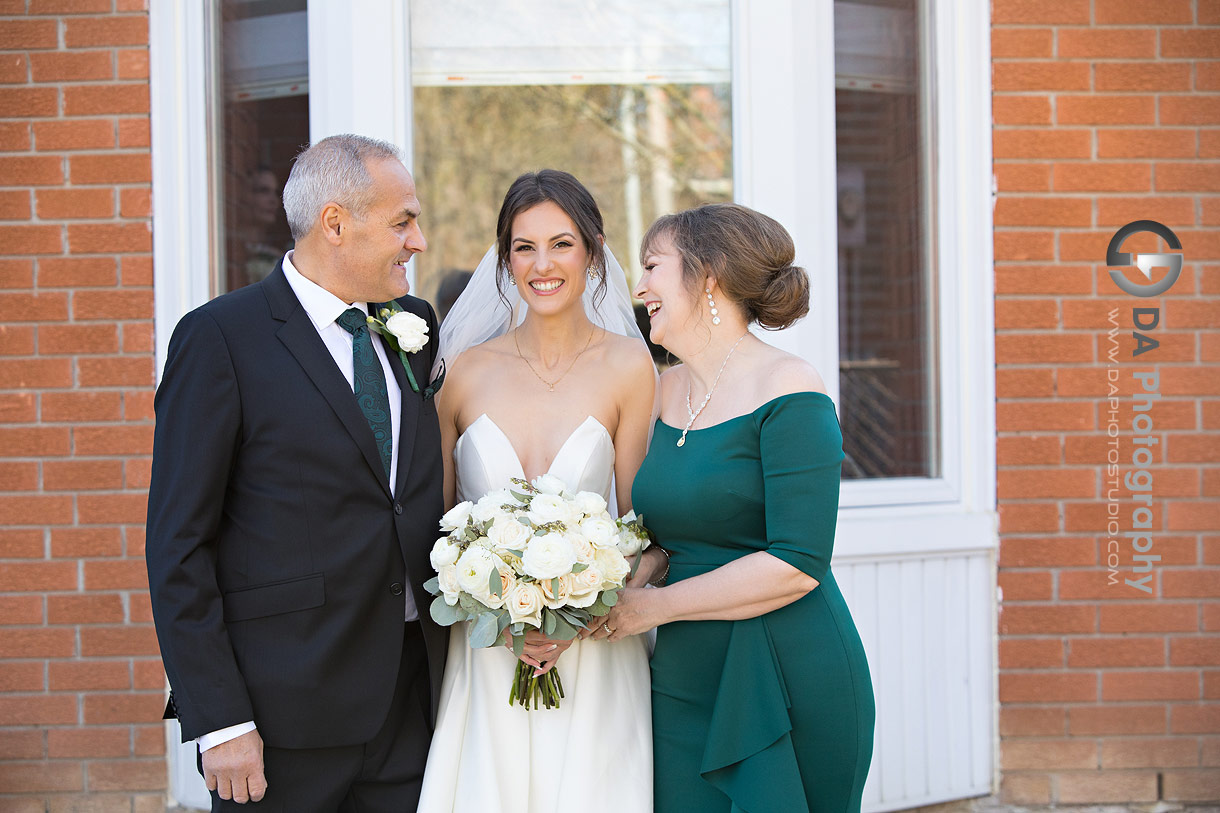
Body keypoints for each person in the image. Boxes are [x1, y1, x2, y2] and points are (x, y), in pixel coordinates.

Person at [146, 134, 446, 811]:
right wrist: (220, 719)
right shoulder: (220, 338)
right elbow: (177, 545)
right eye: (404, 221)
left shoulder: (414, 327)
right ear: (336, 223)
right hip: (281, 718)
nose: (419, 241)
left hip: (409, 702)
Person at [605, 203, 875, 812]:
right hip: (685, 674)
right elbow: (667, 533)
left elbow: (797, 562)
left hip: (788, 667)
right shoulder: (660, 390)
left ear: (708, 276)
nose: (639, 286)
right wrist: (623, 577)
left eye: (652, 266)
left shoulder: (790, 387)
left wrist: (654, 608)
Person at [417, 169, 663, 812]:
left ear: (593, 251)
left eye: (561, 243)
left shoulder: (629, 367)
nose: (542, 264)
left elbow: (644, 529)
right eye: (523, 247)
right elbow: (437, 529)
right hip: (487, 651)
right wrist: (497, 616)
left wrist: (579, 613)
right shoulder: (463, 372)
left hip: (593, 651)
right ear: (504, 260)